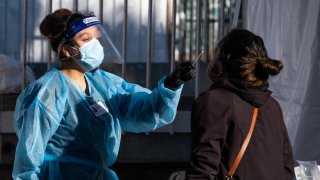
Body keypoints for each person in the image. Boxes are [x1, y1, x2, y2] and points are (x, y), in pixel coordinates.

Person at [13, 8, 196, 180]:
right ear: (66, 49)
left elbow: (142, 110)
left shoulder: (102, 83)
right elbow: (28, 159)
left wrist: (171, 85)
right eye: (86, 39)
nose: (94, 44)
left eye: (96, 38)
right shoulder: (47, 92)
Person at [186, 29, 294, 179]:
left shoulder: (214, 102)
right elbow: (287, 168)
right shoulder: (273, 106)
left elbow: (202, 172)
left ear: (221, 64)